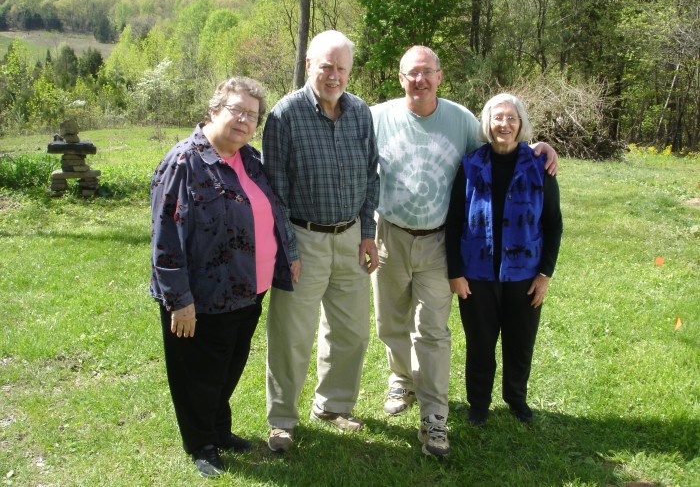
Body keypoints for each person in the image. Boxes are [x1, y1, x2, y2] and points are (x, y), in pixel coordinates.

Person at [370, 46, 558, 457]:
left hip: (438, 240)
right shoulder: (376, 116)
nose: (419, 80)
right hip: (390, 233)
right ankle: (401, 380)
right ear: (400, 78)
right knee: (390, 320)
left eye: (427, 72)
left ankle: (435, 415)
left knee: (433, 330)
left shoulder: (461, 120)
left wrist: (541, 146)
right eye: (411, 73)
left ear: (439, 76)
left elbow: (501, 138)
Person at [149, 77, 293, 478]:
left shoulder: (250, 159)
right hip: (202, 297)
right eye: (237, 110)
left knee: (227, 367)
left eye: (252, 115)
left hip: (248, 290)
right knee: (197, 374)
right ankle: (201, 444)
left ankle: (219, 429)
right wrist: (179, 300)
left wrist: (288, 257)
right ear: (214, 111)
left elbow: (271, 213)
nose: (245, 120)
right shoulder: (184, 161)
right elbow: (165, 238)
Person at [262, 30, 380, 452]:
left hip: (350, 237)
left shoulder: (360, 112)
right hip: (303, 238)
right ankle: (282, 420)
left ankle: (333, 405)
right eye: (326, 66)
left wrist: (368, 233)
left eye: (341, 67)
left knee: (352, 332)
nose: (334, 75)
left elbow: (371, 176)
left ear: (350, 71)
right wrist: (288, 250)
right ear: (309, 65)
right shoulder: (284, 115)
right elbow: (274, 189)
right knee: (291, 335)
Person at [445, 93, 563, 428]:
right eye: (498, 118)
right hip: (477, 274)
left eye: (511, 118)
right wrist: (456, 272)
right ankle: (478, 404)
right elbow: (453, 222)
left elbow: (553, 224)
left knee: (519, 343)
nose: (504, 125)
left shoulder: (539, 167)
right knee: (480, 344)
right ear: (487, 123)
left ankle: (516, 399)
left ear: (521, 123)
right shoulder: (470, 166)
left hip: (524, 274)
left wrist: (544, 274)